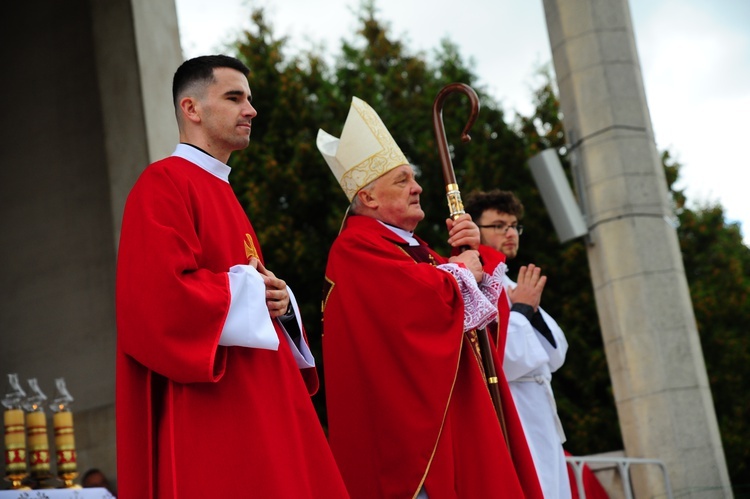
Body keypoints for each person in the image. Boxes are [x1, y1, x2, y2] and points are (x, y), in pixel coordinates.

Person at [115, 55, 349, 498]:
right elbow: (157, 297)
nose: (251, 110)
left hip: (260, 395)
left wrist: (279, 299)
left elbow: (245, 284)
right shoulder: (163, 182)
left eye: (250, 99)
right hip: (216, 405)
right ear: (192, 109)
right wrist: (248, 290)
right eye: (234, 97)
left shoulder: (221, 189)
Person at [316, 97, 543, 499]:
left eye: (414, 178)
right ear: (368, 198)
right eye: (402, 180)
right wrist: (461, 274)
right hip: (411, 435)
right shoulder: (356, 249)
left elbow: (477, 320)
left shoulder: (415, 249)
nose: (417, 186)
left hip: (456, 418)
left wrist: (474, 255)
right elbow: (412, 305)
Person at [465, 189, 571, 499]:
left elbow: (556, 355)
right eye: (499, 225)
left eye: (514, 225)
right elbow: (501, 358)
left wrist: (526, 310)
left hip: (539, 410)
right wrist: (523, 310)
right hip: (513, 412)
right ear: (474, 229)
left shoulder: (512, 284)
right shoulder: (476, 282)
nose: (510, 233)